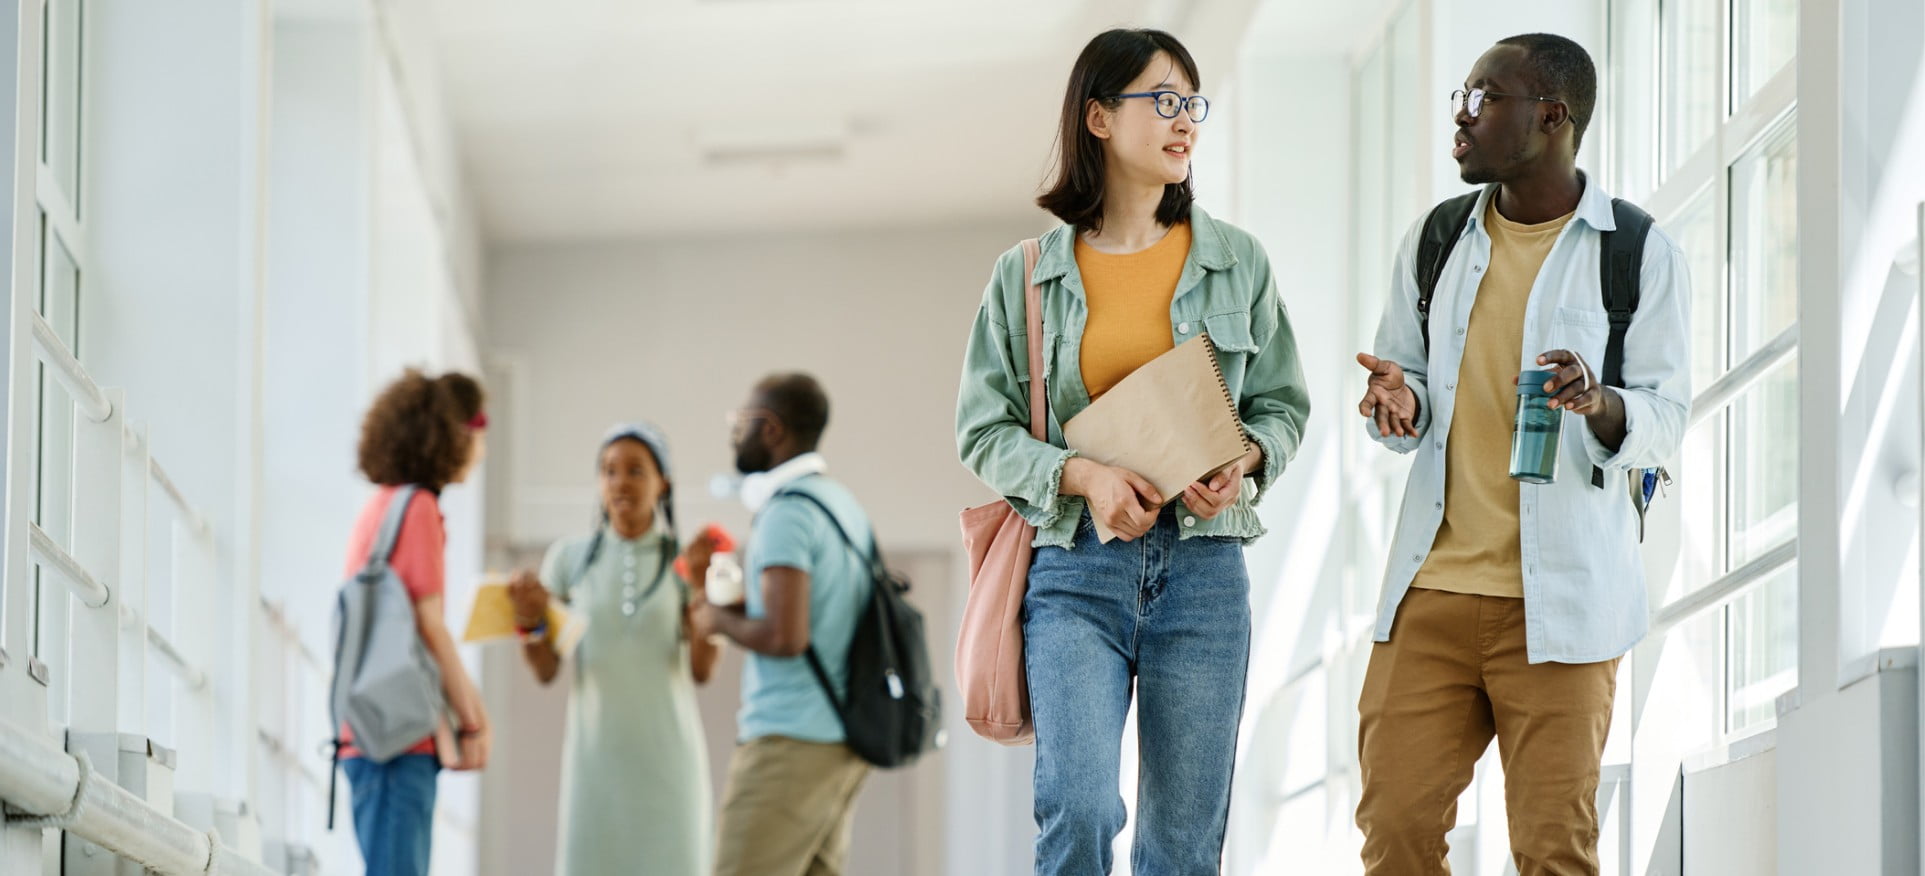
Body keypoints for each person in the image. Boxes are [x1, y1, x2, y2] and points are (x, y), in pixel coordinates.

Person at [955, 28, 1311, 874]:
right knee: (1077, 809)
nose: (1184, 120)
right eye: (1163, 100)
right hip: (1076, 570)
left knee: (1182, 843)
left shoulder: (1236, 263)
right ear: (1099, 119)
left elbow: (1283, 407)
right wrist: (1081, 475)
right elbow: (982, 428)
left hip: (1204, 575)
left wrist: (1245, 461)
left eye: (1192, 103)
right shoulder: (1027, 273)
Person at [1351, 34, 1690, 875]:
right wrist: (1396, 405)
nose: (1460, 118)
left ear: (1550, 117)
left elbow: (1664, 414)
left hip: (1564, 607)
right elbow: (1410, 385)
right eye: (1460, 97)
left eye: (1482, 98)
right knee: (1392, 832)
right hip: (1429, 590)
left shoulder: (1636, 252)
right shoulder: (1435, 239)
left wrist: (1597, 400)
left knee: (1551, 849)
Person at [505, 422, 720, 876]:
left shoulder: (685, 559)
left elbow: (703, 670)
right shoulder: (569, 559)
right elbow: (545, 671)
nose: (619, 482)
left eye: (635, 471)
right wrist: (529, 622)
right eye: (608, 471)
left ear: (663, 484)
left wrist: (702, 588)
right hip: (595, 766)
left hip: (668, 763)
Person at [686, 373, 876, 876]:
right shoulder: (841, 506)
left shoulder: (787, 513)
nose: (735, 432)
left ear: (770, 429)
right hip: (842, 739)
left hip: (790, 742)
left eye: (740, 422)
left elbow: (786, 637)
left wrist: (715, 618)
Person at [339, 369, 493, 876]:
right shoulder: (419, 508)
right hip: (397, 740)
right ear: (454, 432)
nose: (483, 442)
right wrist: (473, 718)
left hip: (371, 731)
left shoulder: (382, 507)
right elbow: (430, 626)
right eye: (480, 425)